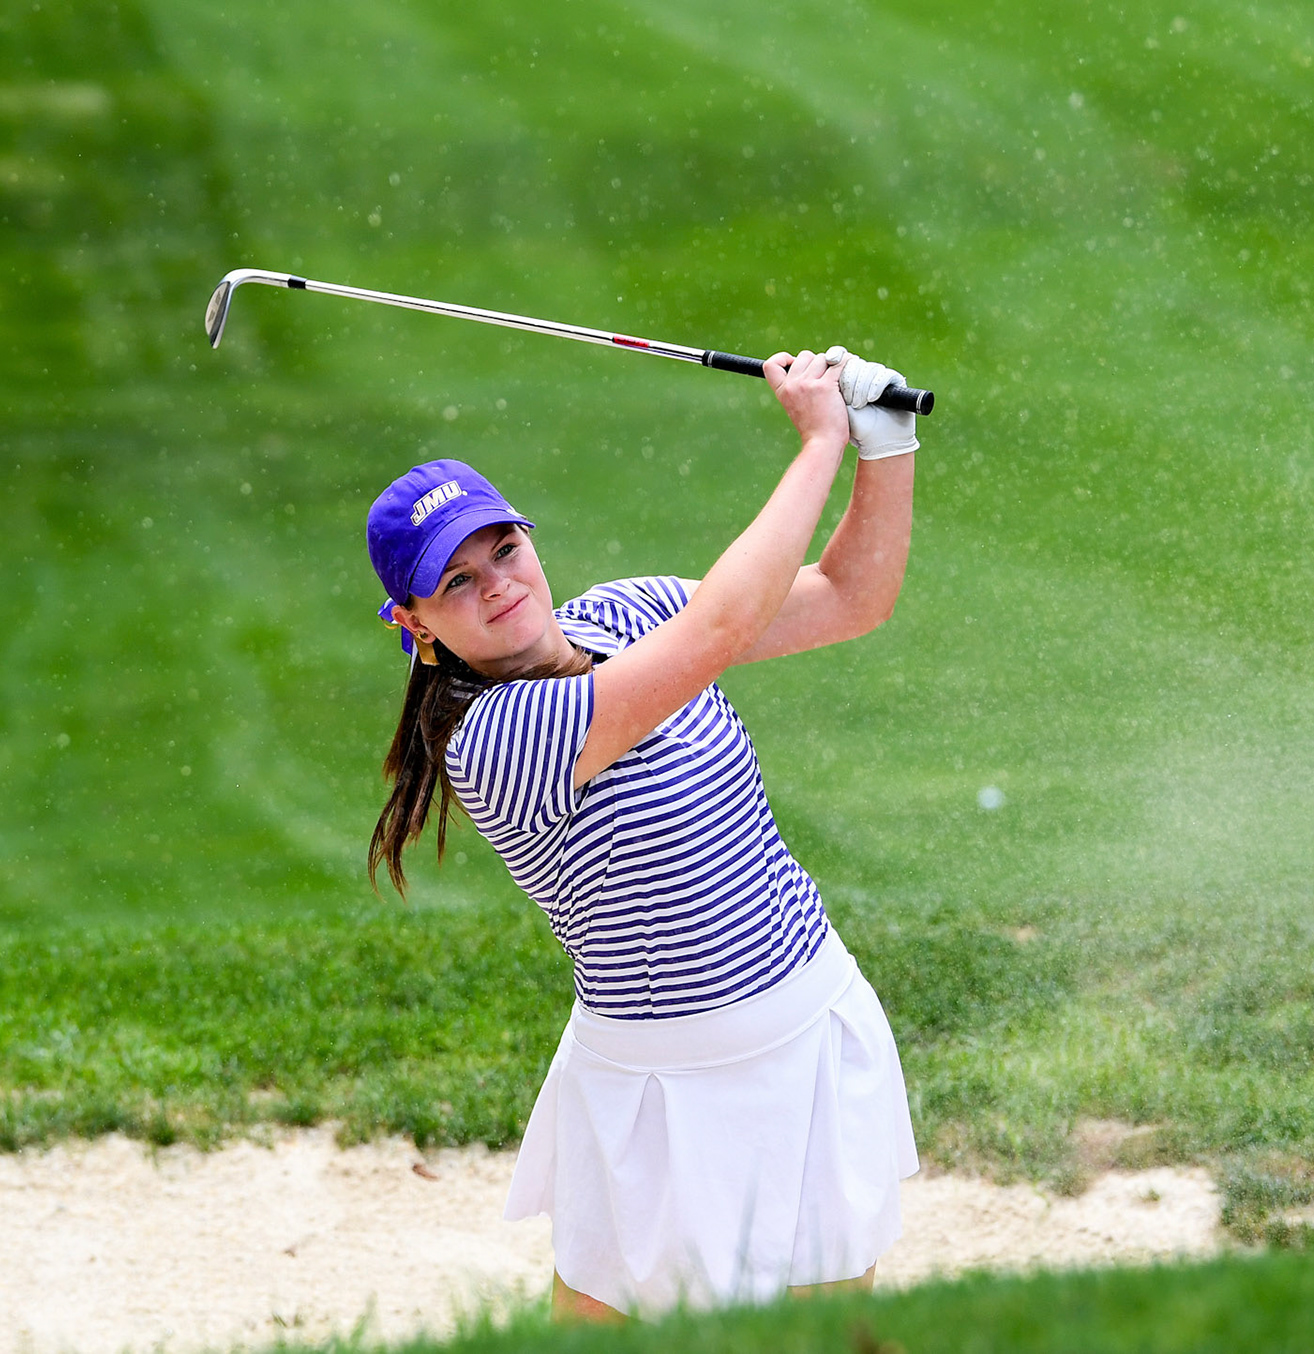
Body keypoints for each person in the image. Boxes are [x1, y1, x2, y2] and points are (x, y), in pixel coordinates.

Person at [362, 347, 922, 1320]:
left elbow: (848, 599)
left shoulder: (627, 610)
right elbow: (714, 631)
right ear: (415, 625)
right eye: (455, 583)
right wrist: (820, 440)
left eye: (502, 548)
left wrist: (885, 444)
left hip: (806, 1025)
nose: (496, 583)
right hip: (662, 1090)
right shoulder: (494, 738)